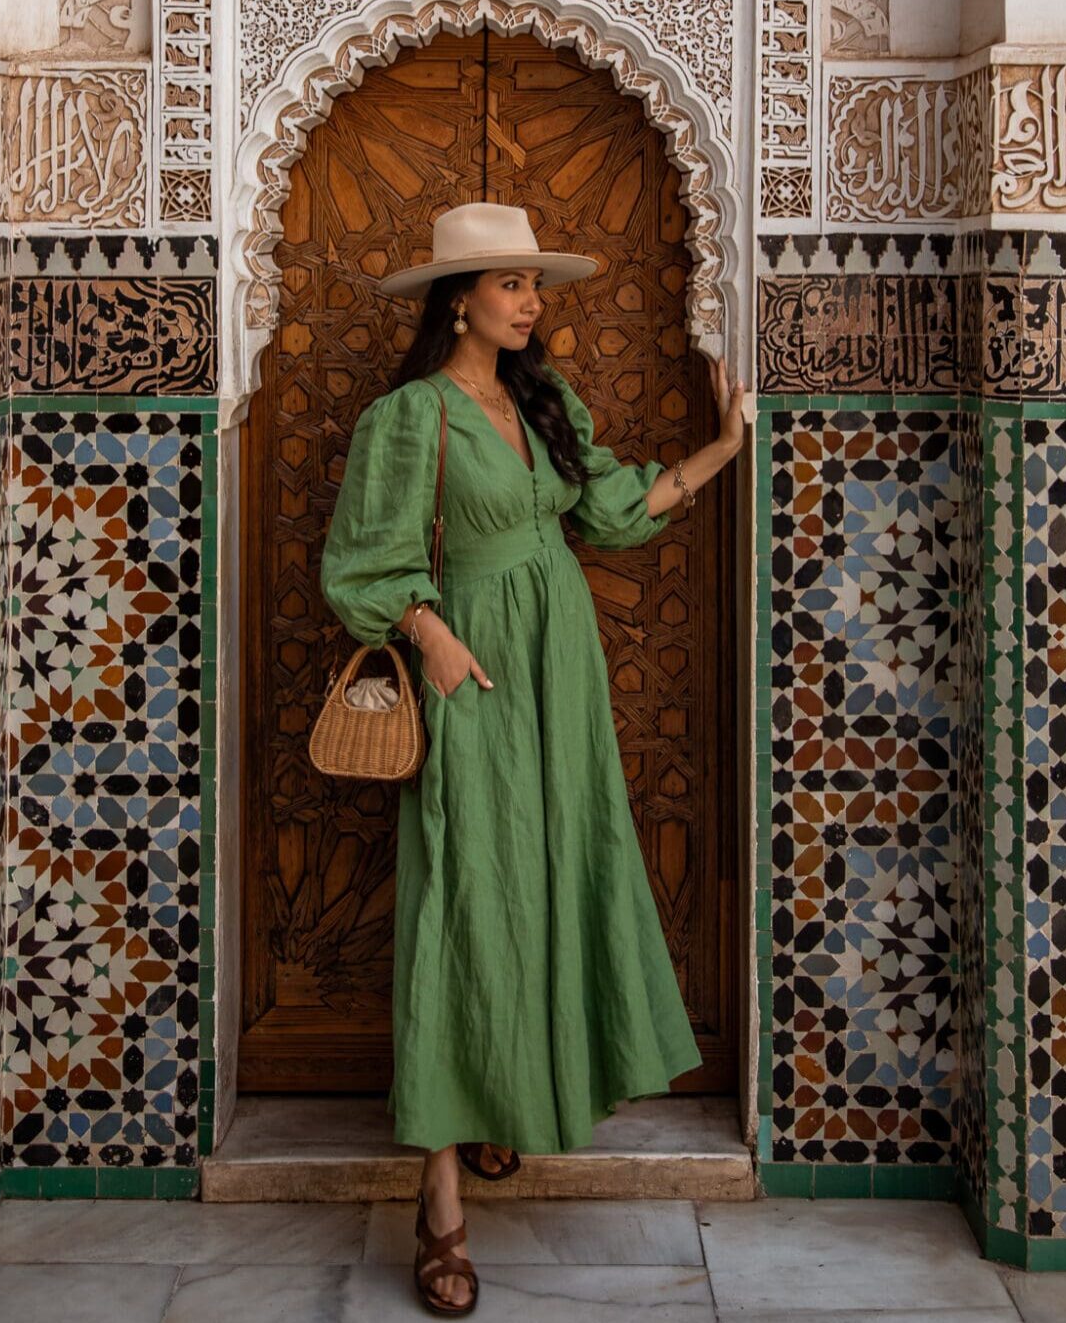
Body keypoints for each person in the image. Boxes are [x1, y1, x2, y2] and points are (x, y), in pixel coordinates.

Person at [318, 200, 747, 1316]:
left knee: (558, 872)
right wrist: (437, 640)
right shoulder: (411, 417)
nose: (530, 301)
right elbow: (363, 562)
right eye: (510, 284)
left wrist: (717, 450)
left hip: (561, 666)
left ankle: (516, 1096)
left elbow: (607, 510)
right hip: (475, 672)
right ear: (456, 299)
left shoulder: (544, 399)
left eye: (533, 285)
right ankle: (440, 1196)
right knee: (464, 897)